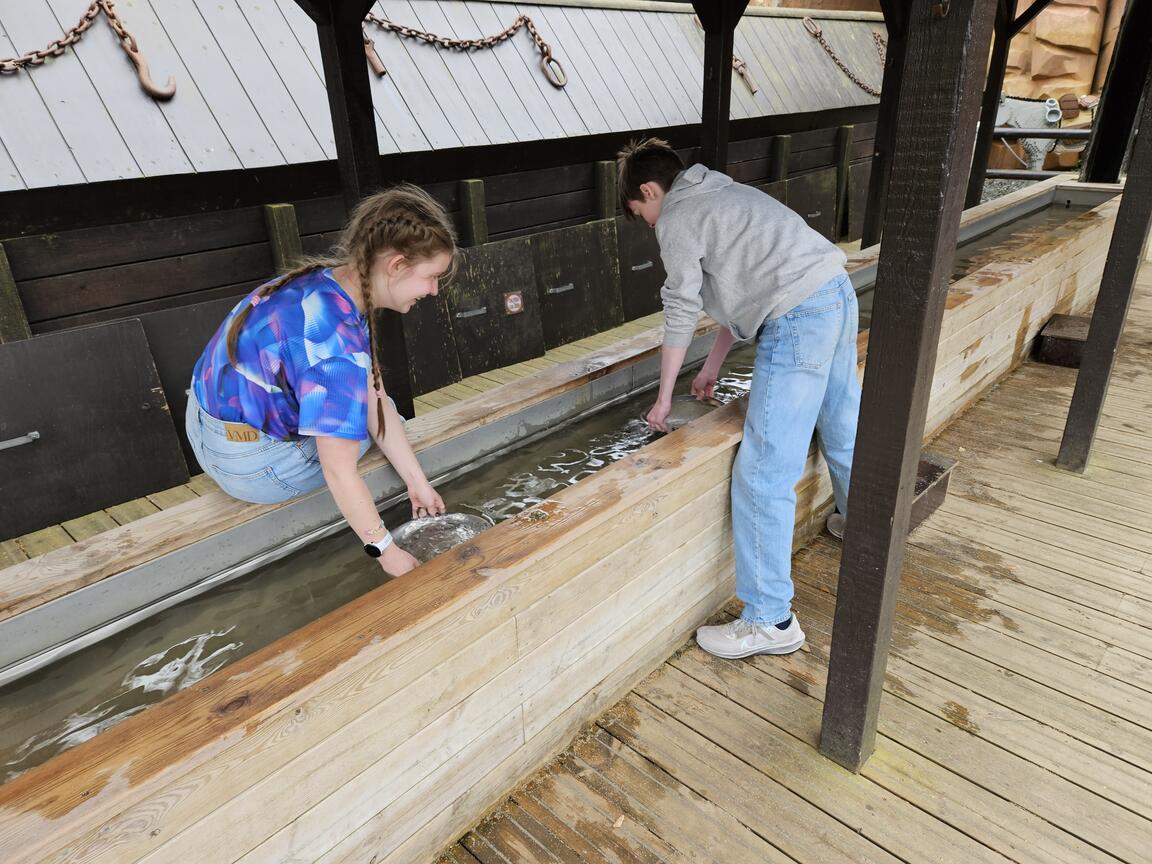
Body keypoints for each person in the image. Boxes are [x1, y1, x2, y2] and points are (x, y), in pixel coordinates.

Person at [617, 138, 860, 659]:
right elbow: (740, 300)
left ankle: (770, 619)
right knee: (841, 421)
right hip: (835, 291)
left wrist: (663, 401)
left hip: (798, 316)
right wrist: (708, 370)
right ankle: (863, 527)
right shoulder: (726, 195)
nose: (650, 225)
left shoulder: (679, 218)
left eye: (643, 214)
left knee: (763, 471)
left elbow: (681, 308)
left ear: (649, 190)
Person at [187, 185, 455, 578]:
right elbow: (338, 469)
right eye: (431, 277)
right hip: (250, 467)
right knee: (370, 422)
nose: (433, 290)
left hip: (205, 427)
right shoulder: (336, 348)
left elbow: (369, 393)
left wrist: (418, 482)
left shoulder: (322, 283)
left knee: (373, 405)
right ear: (395, 266)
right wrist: (386, 552)